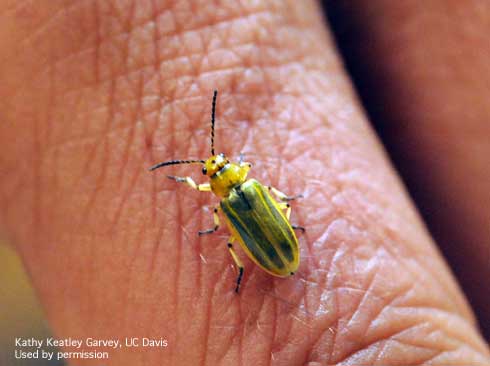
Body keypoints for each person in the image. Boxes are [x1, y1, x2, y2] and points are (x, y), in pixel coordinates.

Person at [0, 1, 488, 364]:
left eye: (213, 165)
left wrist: (240, 245)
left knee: (229, 237)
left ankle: (240, 272)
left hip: (266, 248)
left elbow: (237, 226)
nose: (214, 168)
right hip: (273, 247)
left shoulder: (227, 203)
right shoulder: (247, 191)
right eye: (211, 167)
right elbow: (272, 203)